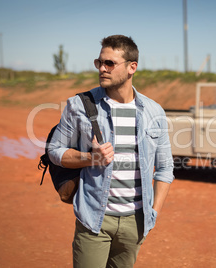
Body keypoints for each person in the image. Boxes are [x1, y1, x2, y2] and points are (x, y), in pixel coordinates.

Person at [48, 35, 174, 267]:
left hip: (135, 223)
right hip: (94, 219)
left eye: (110, 63)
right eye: (100, 62)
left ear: (131, 68)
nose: (102, 69)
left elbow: (165, 168)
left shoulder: (154, 111)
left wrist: (153, 212)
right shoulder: (79, 105)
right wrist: (89, 158)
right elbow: (54, 151)